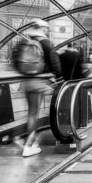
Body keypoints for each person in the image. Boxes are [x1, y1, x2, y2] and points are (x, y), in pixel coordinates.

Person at [13, 20, 62, 157]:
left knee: (31, 112)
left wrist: (25, 72)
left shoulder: (24, 41)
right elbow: (55, 61)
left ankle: (31, 142)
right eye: (46, 28)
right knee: (34, 114)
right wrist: (59, 77)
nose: (47, 31)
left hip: (26, 81)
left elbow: (15, 60)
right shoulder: (45, 42)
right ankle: (29, 146)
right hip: (39, 81)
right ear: (42, 28)